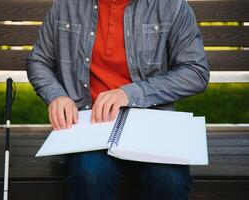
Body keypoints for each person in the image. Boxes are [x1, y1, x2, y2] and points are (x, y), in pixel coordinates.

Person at [26, 0, 210, 199]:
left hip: (152, 124)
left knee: (169, 181)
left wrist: (131, 93)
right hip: (89, 124)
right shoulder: (66, 5)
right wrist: (57, 95)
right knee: (91, 176)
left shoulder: (171, 6)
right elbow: (39, 61)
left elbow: (195, 72)